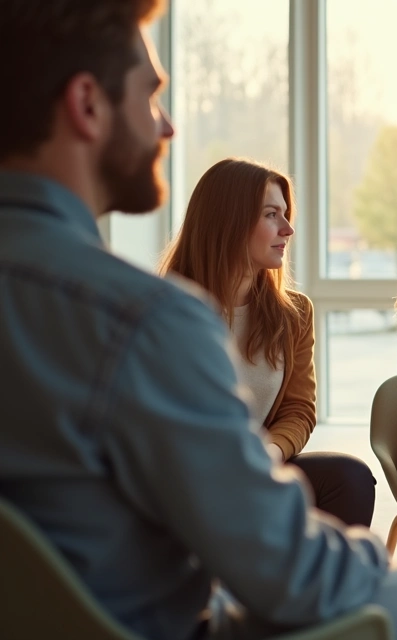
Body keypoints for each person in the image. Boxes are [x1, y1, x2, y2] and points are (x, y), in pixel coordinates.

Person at [0, 2, 397, 639]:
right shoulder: (146, 321)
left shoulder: (245, 314)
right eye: (151, 96)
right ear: (87, 104)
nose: (168, 127)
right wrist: (371, 561)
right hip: (158, 624)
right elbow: (292, 574)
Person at [160, 157, 377, 527]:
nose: (288, 229)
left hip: (257, 468)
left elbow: (298, 409)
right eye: (271, 215)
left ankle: (321, 586)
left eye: (286, 213)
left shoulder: (294, 315)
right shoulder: (164, 308)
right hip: (184, 478)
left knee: (350, 479)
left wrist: (268, 453)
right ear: (229, 220)